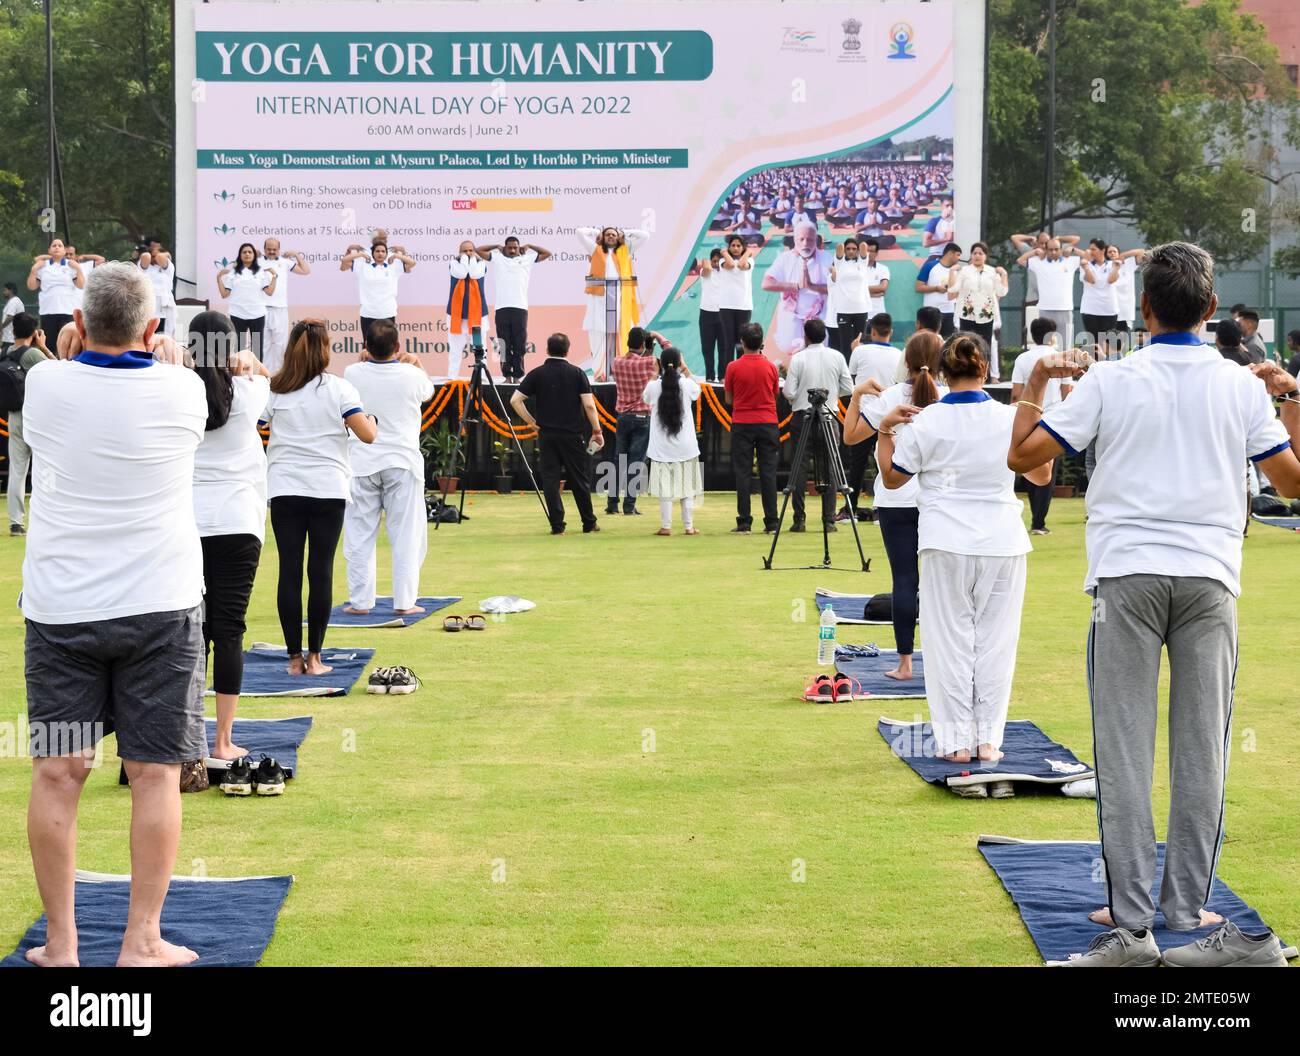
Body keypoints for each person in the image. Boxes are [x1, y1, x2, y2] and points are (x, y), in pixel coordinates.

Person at [1008, 241, 1300, 967]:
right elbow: (1292, 484)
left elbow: (1024, 460)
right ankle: (1185, 907)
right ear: (1210, 310)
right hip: (1208, 579)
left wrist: (1038, 378)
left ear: (1143, 310)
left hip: (1128, 577)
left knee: (1124, 748)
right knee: (1203, 746)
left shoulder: (1111, 378)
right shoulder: (1242, 387)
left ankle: (1132, 922)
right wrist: (1288, 393)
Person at [21, 262, 207, 967]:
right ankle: (141, 941)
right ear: (153, 328)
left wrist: (73, 344)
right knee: (155, 770)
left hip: (64, 611)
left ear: (76, 324)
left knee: (58, 771)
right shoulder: (183, 388)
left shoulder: (46, 381)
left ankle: (62, 945)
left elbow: (69, 369)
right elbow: (166, 377)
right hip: (158, 607)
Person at [875, 332, 1048, 767]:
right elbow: (1043, 474)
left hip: (946, 542)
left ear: (943, 373)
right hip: (1001, 540)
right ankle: (988, 740)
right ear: (985, 370)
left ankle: (955, 742)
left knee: (948, 642)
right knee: (995, 642)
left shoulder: (927, 421)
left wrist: (884, 430)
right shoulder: (1009, 417)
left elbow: (893, 479)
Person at [262, 319, 377, 676]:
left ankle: (294, 659)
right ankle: (315, 658)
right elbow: (368, 434)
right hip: (327, 489)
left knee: (290, 572)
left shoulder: (275, 390)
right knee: (321, 572)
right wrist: (370, 417)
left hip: (284, 488)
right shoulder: (340, 389)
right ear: (325, 349)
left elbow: (254, 427)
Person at [188, 311, 270, 761]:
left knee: (193, 633)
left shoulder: (180, 391)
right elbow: (266, 376)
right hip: (239, 522)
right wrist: (249, 359)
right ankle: (221, 740)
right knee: (229, 631)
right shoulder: (248, 390)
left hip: (188, 522)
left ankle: (188, 737)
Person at [842, 330, 945, 679]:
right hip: (936, 500)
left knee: (904, 580)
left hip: (895, 499)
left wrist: (856, 394)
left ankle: (904, 664)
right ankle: (937, 661)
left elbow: (851, 436)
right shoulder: (947, 398)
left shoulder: (889, 397)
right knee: (936, 585)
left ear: (907, 361)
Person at [342, 320, 434, 616]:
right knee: (405, 534)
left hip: (362, 462)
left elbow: (356, 371)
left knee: (359, 535)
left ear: (365, 347)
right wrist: (417, 362)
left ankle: (360, 602)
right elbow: (427, 391)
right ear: (397, 347)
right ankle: (405, 602)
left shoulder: (352, 372)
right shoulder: (412, 375)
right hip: (400, 462)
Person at [511, 333, 606, 534]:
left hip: (547, 435)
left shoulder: (537, 374)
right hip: (572, 436)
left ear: (547, 350)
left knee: (550, 481)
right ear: (568, 350)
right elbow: (589, 405)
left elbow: (515, 400)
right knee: (579, 480)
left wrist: (532, 423)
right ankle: (589, 523)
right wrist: (597, 431)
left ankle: (557, 526)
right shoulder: (577, 373)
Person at [782, 318, 852, 532]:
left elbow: (788, 392)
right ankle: (829, 520)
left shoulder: (799, 359)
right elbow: (848, 387)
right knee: (831, 468)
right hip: (828, 415)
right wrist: (830, 396)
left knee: (799, 469)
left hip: (803, 417)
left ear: (806, 336)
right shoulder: (837, 356)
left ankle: (799, 520)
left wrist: (799, 398)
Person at [1011, 316, 1074, 535]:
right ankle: (1039, 521)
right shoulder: (1058, 357)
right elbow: (1067, 392)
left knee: (1030, 466)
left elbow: (1016, 393)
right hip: (1053, 419)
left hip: (1029, 416)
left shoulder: (1022, 359)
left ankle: (1036, 519)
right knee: (1049, 472)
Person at [724, 321, 781, 534]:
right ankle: (772, 522)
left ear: (742, 343)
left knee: (743, 472)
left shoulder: (733, 367)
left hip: (742, 422)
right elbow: (774, 394)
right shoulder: (770, 366)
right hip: (767, 421)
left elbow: (729, 399)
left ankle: (744, 521)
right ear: (762, 343)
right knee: (768, 472)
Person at [643, 346, 704, 535]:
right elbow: (698, 390)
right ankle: (688, 526)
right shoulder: (686, 384)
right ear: (679, 363)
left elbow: (646, 397)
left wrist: (654, 374)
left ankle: (666, 526)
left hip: (661, 447)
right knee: (687, 488)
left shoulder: (654, 386)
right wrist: (685, 369)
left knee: (665, 489)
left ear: (660, 363)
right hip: (685, 445)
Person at [3, 314, 53, 535]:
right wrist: (44, 347)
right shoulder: (32, 354)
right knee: (47, 467)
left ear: (13, 331)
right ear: (34, 333)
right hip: (37, 417)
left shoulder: (5, 353)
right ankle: (50, 517)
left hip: (14, 415)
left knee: (17, 469)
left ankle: (16, 522)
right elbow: (58, 371)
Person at [577, 225, 649, 379]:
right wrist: (596, 233)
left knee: (619, 336)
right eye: (607, 234)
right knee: (600, 337)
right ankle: (601, 373)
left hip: (620, 301)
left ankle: (617, 372)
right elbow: (579, 233)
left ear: (618, 238)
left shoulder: (625, 251)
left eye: (613, 235)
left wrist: (624, 233)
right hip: (599, 301)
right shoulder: (595, 249)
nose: (610, 237)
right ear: (603, 238)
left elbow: (644, 236)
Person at [476, 236, 550, 382]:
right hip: (502, 308)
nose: (512, 250)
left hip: (520, 308)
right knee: (503, 344)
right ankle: (507, 376)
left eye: (515, 247)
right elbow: (479, 250)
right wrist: (495, 246)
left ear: (519, 247)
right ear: (505, 248)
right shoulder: (497, 258)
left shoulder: (527, 259)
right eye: (509, 247)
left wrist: (530, 245)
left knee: (519, 344)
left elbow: (547, 253)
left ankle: (517, 376)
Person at [606, 326, 662, 515]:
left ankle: (612, 504)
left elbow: (635, 360)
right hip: (642, 417)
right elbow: (669, 354)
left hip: (623, 416)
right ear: (644, 344)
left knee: (618, 460)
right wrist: (657, 338)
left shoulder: (616, 362)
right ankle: (629, 506)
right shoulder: (649, 362)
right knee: (636, 462)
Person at [762, 220, 830, 355]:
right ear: (794, 240)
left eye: (810, 240)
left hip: (819, 315)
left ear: (816, 240)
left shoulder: (826, 258)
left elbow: (837, 288)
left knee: (817, 352)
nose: (805, 243)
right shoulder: (785, 258)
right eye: (802, 239)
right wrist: (796, 286)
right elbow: (766, 284)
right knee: (790, 348)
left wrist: (812, 286)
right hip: (791, 314)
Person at [339, 239, 416, 343]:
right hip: (368, 313)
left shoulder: (394, 266)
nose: (380, 253)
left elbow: (412, 263)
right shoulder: (362, 266)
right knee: (368, 345)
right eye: (377, 251)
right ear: (372, 253)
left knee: (388, 345)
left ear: (386, 254)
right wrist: (361, 254)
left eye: (383, 251)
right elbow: (344, 261)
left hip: (387, 313)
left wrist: (397, 256)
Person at [215, 243, 276, 361]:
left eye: (250, 252)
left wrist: (274, 276)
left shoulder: (261, 272)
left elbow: (269, 292)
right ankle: (239, 376)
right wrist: (219, 279)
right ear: (240, 255)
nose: (247, 254)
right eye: (244, 252)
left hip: (257, 314)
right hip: (237, 314)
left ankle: (258, 376)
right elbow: (224, 294)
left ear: (254, 255)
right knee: (239, 348)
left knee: (257, 348)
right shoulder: (233, 273)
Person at [259, 238, 311, 375]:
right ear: (264, 249)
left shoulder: (285, 262)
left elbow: (306, 271)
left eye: (274, 249)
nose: (271, 251)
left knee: (281, 345)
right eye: (268, 249)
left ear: (279, 249)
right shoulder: (257, 262)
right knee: (264, 345)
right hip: (261, 309)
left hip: (280, 309)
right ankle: (265, 376)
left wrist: (297, 255)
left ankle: (281, 376)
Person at [1017, 237, 1080, 347]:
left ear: (1061, 249)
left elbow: (1089, 258)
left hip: (1065, 309)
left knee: (1065, 345)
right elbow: (1020, 260)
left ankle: (1064, 364)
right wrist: (1035, 251)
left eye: (1056, 249)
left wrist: (1073, 250)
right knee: (1045, 343)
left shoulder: (1070, 261)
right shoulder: (1038, 262)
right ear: (1045, 250)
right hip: (1045, 309)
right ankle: (1047, 364)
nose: (1053, 252)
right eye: (1050, 249)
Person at [947, 242, 1007, 345]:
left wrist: (1004, 274)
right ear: (971, 255)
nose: (977, 256)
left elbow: (1002, 291)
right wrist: (952, 271)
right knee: (965, 347)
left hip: (986, 316)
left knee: (984, 347)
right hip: (967, 316)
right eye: (974, 253)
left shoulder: (992, 272)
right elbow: (952, 289)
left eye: (980, 253)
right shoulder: (964, 271)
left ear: (985, 256)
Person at [446, 240, 489, 380]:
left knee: (479, 347)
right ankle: (452, 377)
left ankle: (482, 377)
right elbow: (463, 274)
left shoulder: (481, 264)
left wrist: (472, 260)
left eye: (471, 250)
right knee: (455, 350)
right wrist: (465, 260)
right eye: (465, 251)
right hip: (457, 318)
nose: (468, 253)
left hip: (476, 317)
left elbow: (474, 274)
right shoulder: (454, 263)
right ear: (460, 252)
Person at [27, 239, 85, 341]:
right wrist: (34, 269)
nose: (57, 247)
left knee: (68, 344)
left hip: (68, 311)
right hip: (48, 311)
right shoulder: (42, 266)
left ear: (64, 251)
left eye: (60, 245)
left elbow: (81, 285)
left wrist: (78, 269)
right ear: (49, 250)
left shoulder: (71, 265)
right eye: (54, 245)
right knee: (49, 344)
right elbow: (32, 286)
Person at [716, 235, 756, 377]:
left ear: (743, 247)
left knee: (741, 342)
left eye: (739, 245)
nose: (736, 248)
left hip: (744, 306)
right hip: (726, 306)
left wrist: (748, 253)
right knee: (728, 342)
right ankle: (728, 375)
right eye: (733, 245)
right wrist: (724, 253)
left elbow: (740, 265)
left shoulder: (750, 260)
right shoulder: (722, 261)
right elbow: (732, 265)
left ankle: (741, 374)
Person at [829, 238, 872, 358]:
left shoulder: (862, 263)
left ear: (858, 251)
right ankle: (847, 374)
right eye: (848, 249)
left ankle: (857, 373)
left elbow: (863, 244)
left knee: (859, 344)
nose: (851, 251)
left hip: (861, 309)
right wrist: (844, 248)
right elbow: (839, 246)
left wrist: (858, 247)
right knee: (846, 345)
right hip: (843, 310)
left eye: (854, 249)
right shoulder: (839, 263)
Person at [1078, 238, 1120, 344]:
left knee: (1109, 343)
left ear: (1102, 251)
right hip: (1090, 310)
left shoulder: (1112, 264)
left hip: (1109, 309)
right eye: (1089, 249)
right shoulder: (1085, 264)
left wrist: (1115, 268)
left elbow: (1111, 280)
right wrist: (1086, 267)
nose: (1090, 252)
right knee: (1094, 343)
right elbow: (1091, 280)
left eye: (1093, 249)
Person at [915, 242, 959, 338]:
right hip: (931, 312)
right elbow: (918, 287)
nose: (959, 258)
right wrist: (936, 288)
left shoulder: (956, 270)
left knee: (947, 342)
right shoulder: (930, 266)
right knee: (928, 340)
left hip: (950, 312)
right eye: (958, 255)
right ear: (950, 253)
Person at [696, 248, 725, 383]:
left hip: (723, 315)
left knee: (723, 348)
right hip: (706, 315)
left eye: (719, 261)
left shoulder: (728, 274)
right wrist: (711, 262)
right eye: (714, 261)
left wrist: (722, 263)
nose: (716, 263)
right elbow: (706, 265)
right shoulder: (705, 272)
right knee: (707, 348)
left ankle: (723, 376)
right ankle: (710, 376)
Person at [138, 239, 176, 336]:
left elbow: (160, 257)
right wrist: (151, 253)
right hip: (148, 305)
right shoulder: (144, 267)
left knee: (162, 336)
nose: (156, 256)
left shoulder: (168, 268)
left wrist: (164, 254)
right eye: (153, 254)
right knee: (147, 335)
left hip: (164, 307)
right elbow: (145, 257)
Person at [1106, 244, 1145, 333]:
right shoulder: (1104, 266)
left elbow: (1141, 252)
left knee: (1123, 339)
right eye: (1109, 252)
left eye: (1114, 251)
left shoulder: (1128, 264)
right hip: (1108, 309)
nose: (1112, 253)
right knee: (1107, 338)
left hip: (1124, 310)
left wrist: (1123, 256)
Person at [2, 282, 24, 349]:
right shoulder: (14, 301)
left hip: (10, 338)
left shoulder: (13, 302)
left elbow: (10, 317)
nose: (3, 292)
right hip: (11, 337)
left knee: (6, 358)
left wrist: (1, 327)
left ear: (10, 290)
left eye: (5, 290)